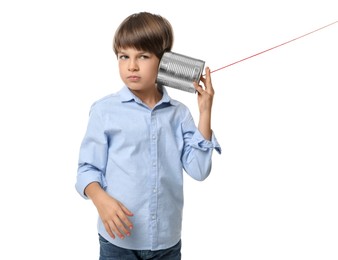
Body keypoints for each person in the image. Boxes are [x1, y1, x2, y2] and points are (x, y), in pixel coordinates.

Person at [75, 11, 221, 260]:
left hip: (166, 242)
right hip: (117, 242)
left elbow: (199, 169)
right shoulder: (104, 111)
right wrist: (100, 199)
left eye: (142, 56)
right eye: (124, 56)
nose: (131, 65)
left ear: (164, 61)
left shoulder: (179, 114)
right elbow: (87, 169)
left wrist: (205, 111)